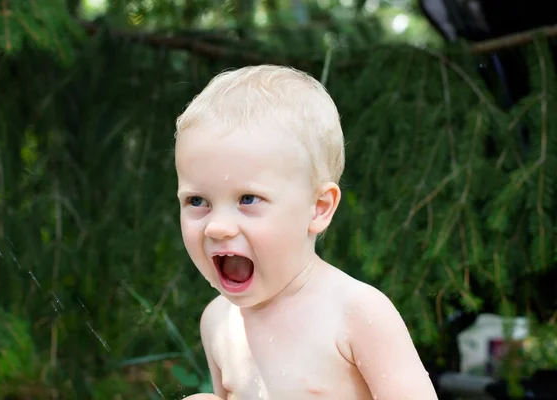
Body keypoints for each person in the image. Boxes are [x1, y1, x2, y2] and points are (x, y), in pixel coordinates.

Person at [175, 65, 438, 400]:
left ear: (318, 207)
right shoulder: (218, 322)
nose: (217, 226)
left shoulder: (356, 313)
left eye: (248, 199)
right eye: (197, 200)